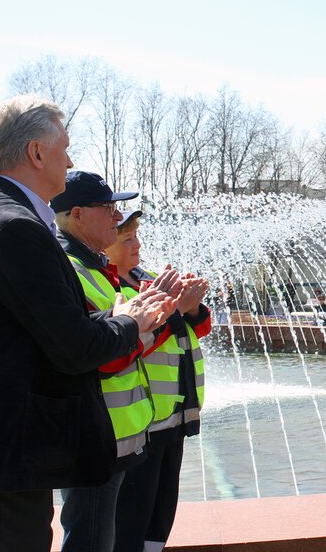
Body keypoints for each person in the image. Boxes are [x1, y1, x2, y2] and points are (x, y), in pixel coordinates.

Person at [0, 95, 175, 552]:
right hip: (10, 451)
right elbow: (73, 346)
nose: (69, 161)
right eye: (64, 149)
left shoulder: (0, 215)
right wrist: (129, 320)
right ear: (36, 153)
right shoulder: (15, 227)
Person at [51, 171, 184, 552]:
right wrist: (146, 320)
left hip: (120, 433)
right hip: (95, 435)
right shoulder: (69, 268)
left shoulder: (96, 267)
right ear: (77, 214)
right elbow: (91, 353)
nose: (116, 216)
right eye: (107, 208)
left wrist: (153, 314)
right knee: (91, 539)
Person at [105, 210, 210, 552]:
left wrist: (192, 309)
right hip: (140, 424)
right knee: (130, 522)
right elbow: (124, 346)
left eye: (137, 236)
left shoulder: (147, 278)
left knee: (159, 517)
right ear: (107, 245)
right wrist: (176, 311)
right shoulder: (110, 288)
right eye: (127, 239)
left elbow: (193, 332)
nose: (137, 244)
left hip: (174, 416)